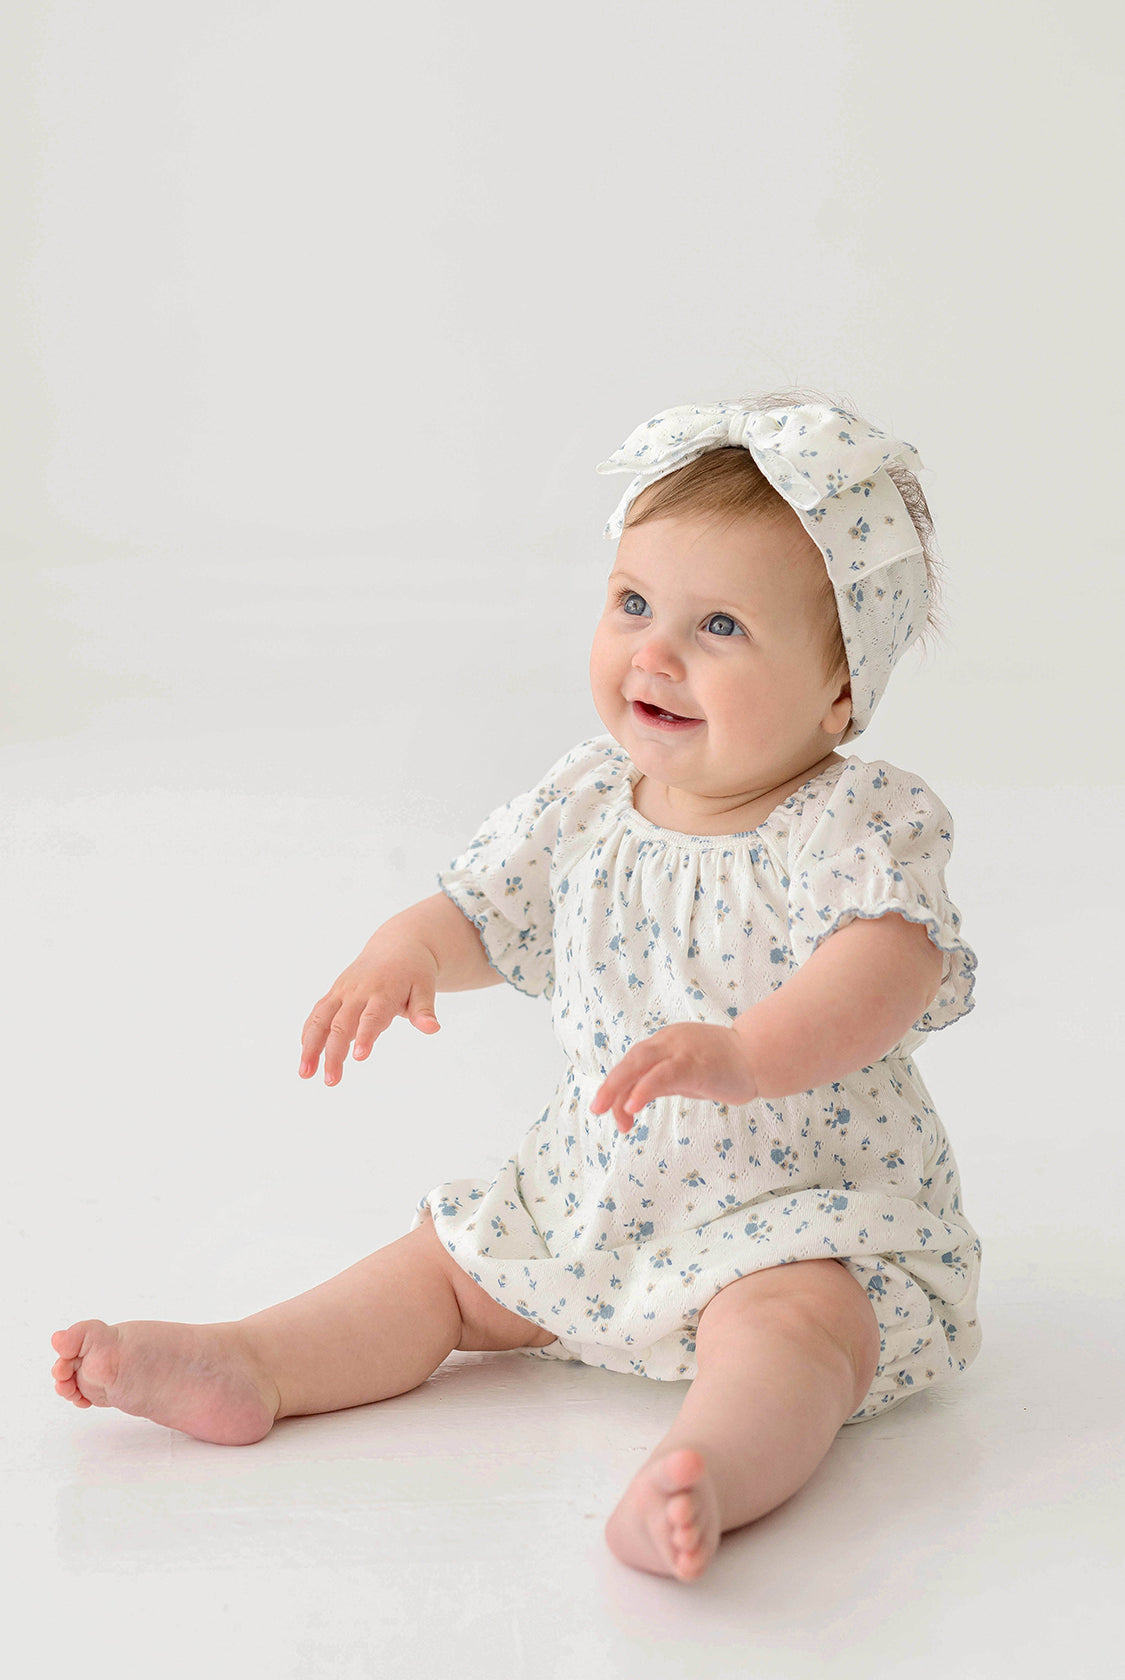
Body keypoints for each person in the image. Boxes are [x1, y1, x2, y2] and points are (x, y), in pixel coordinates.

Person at [50, 389, 982, 1584]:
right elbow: (486, 909)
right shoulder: (586, 799)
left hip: (796, 1209)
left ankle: (706, 1469)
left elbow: (885, 967)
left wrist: (750, 1053)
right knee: (443, 1269)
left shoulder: (851, 822)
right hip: (595, 1194)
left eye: (720, 627)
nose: (654, 653)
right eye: (634, 604)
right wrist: (406, 950)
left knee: (799, 1336)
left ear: (840, 690)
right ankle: (256, 1362)